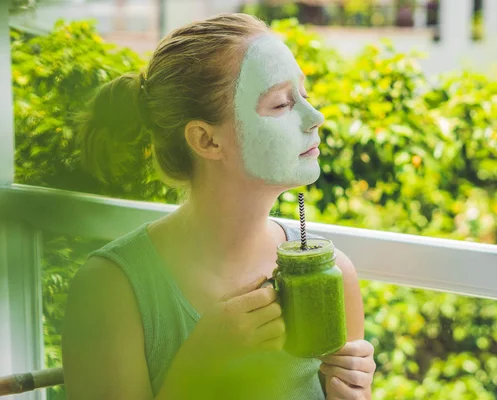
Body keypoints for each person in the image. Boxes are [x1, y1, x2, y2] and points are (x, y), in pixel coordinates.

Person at [62, 13, 376, 400]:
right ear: (206, 141)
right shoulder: (109, 291)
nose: (315, 117)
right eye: (280, 104)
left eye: (305, 96)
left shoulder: (334, 275)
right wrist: (199, 365)